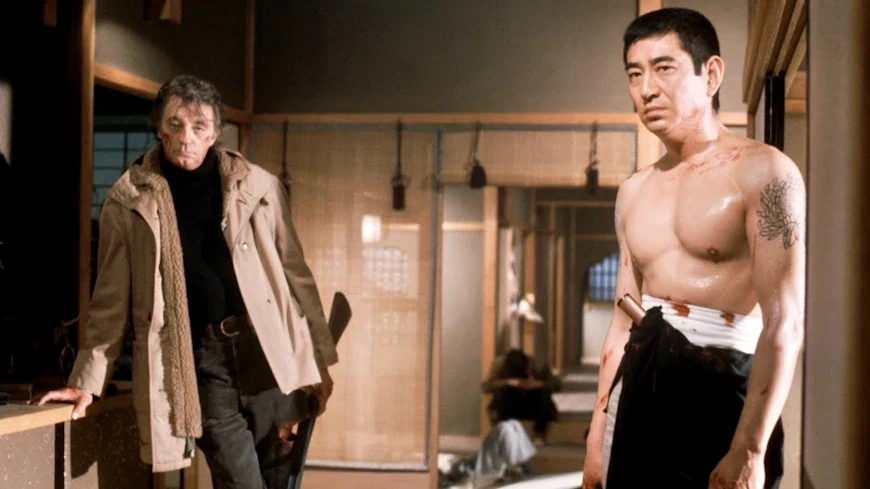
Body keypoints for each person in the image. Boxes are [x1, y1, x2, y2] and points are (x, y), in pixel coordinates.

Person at [34, 74, 338, 489]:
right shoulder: (129, 200)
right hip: (201, 361)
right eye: (175, 124)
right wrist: (87, 381)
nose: (186, 138)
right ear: (160, 128)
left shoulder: (259, 186)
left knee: (279, 478)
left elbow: (296, 276)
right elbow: (110, 300)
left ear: (214, 133)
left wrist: (318, 362)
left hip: (267, 351)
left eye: (198, 126)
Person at [582, 8, 805, 489]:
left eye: (664, 68)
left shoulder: (764, 172)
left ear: (711, 74)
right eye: (634, 74)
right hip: (639, 387)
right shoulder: (633, 191)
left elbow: (784, 322)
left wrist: (750, 448)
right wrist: (596, 437)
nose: (646, 89)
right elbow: (621, 323)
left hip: (723, 387)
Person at [482, 349, 560, 444]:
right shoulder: (499, 365)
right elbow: (486, 386)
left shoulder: (536, 366)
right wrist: (507, 382)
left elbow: (556, 384)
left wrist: (538, 384)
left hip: (532, 402)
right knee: (502, 393)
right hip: (510, 404)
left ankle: (539, 433)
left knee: (544, 393)